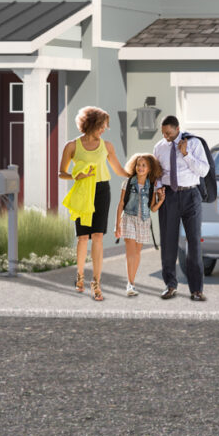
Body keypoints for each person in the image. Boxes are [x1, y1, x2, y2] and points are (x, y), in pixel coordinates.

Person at [149, 109, 217, 301]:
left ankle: (196, 290)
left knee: (194, 242)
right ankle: (170, 285)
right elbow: (158, 173)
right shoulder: (159, 147)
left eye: (169, 133)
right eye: (163, 133)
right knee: (168, 242)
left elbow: (203, 171)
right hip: (169, 196)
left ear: (177, 129)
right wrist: (159, 187)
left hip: (191, 195)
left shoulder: (194, 143)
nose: (166, 137)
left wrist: (185, 154)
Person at [57, 106, 117, 304]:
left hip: (102, 191)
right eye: (102, 125)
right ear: (91, 124)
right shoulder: (72, 146)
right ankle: (80, 276)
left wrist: (140, 174)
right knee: (83, 238)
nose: (105, 129)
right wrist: (77, 175)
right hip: (83, 191)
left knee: (98, 237)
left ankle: (96, 283)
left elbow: (117, 168)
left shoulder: (106, 145)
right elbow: (61, 172)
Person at [113, 152, 163, 295]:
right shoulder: (128, 182)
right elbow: (121, 204)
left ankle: (131, 282)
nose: (140, 168)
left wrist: (161, 201)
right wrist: (117, 225)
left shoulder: (152, 186)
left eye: (143, 165)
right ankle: (130, 284)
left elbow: (152, 208)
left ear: (149, 169)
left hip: (143, 221)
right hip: (128, 217)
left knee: (137, 252)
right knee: (130, 251)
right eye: (138, 165)